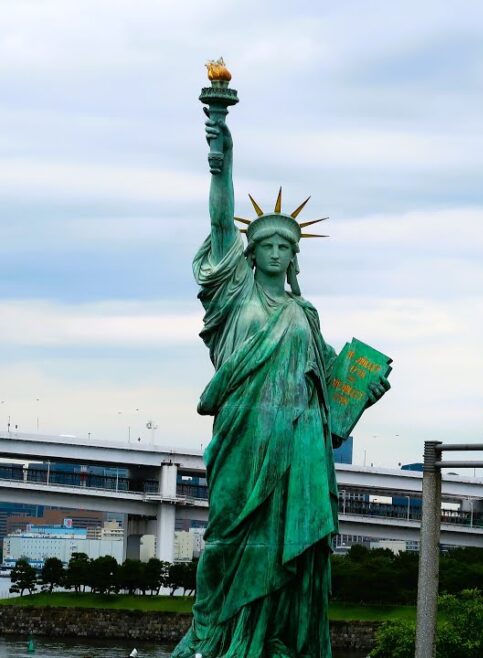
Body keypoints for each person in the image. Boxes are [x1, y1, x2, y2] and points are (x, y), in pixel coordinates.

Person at [170, 107, 389, 658]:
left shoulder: (304, 314)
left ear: (294, 256)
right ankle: (216, 638)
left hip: (296, 445)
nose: (274, 251)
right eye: (266, 244)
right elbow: (222, 221)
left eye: (284, 246)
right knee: (227, 538)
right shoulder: (235, 294)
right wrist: (222, 157)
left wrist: (363, 392)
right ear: (250, 253)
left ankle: (274, 640)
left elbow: (333, 389)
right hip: (243, 434)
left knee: (289, 549)